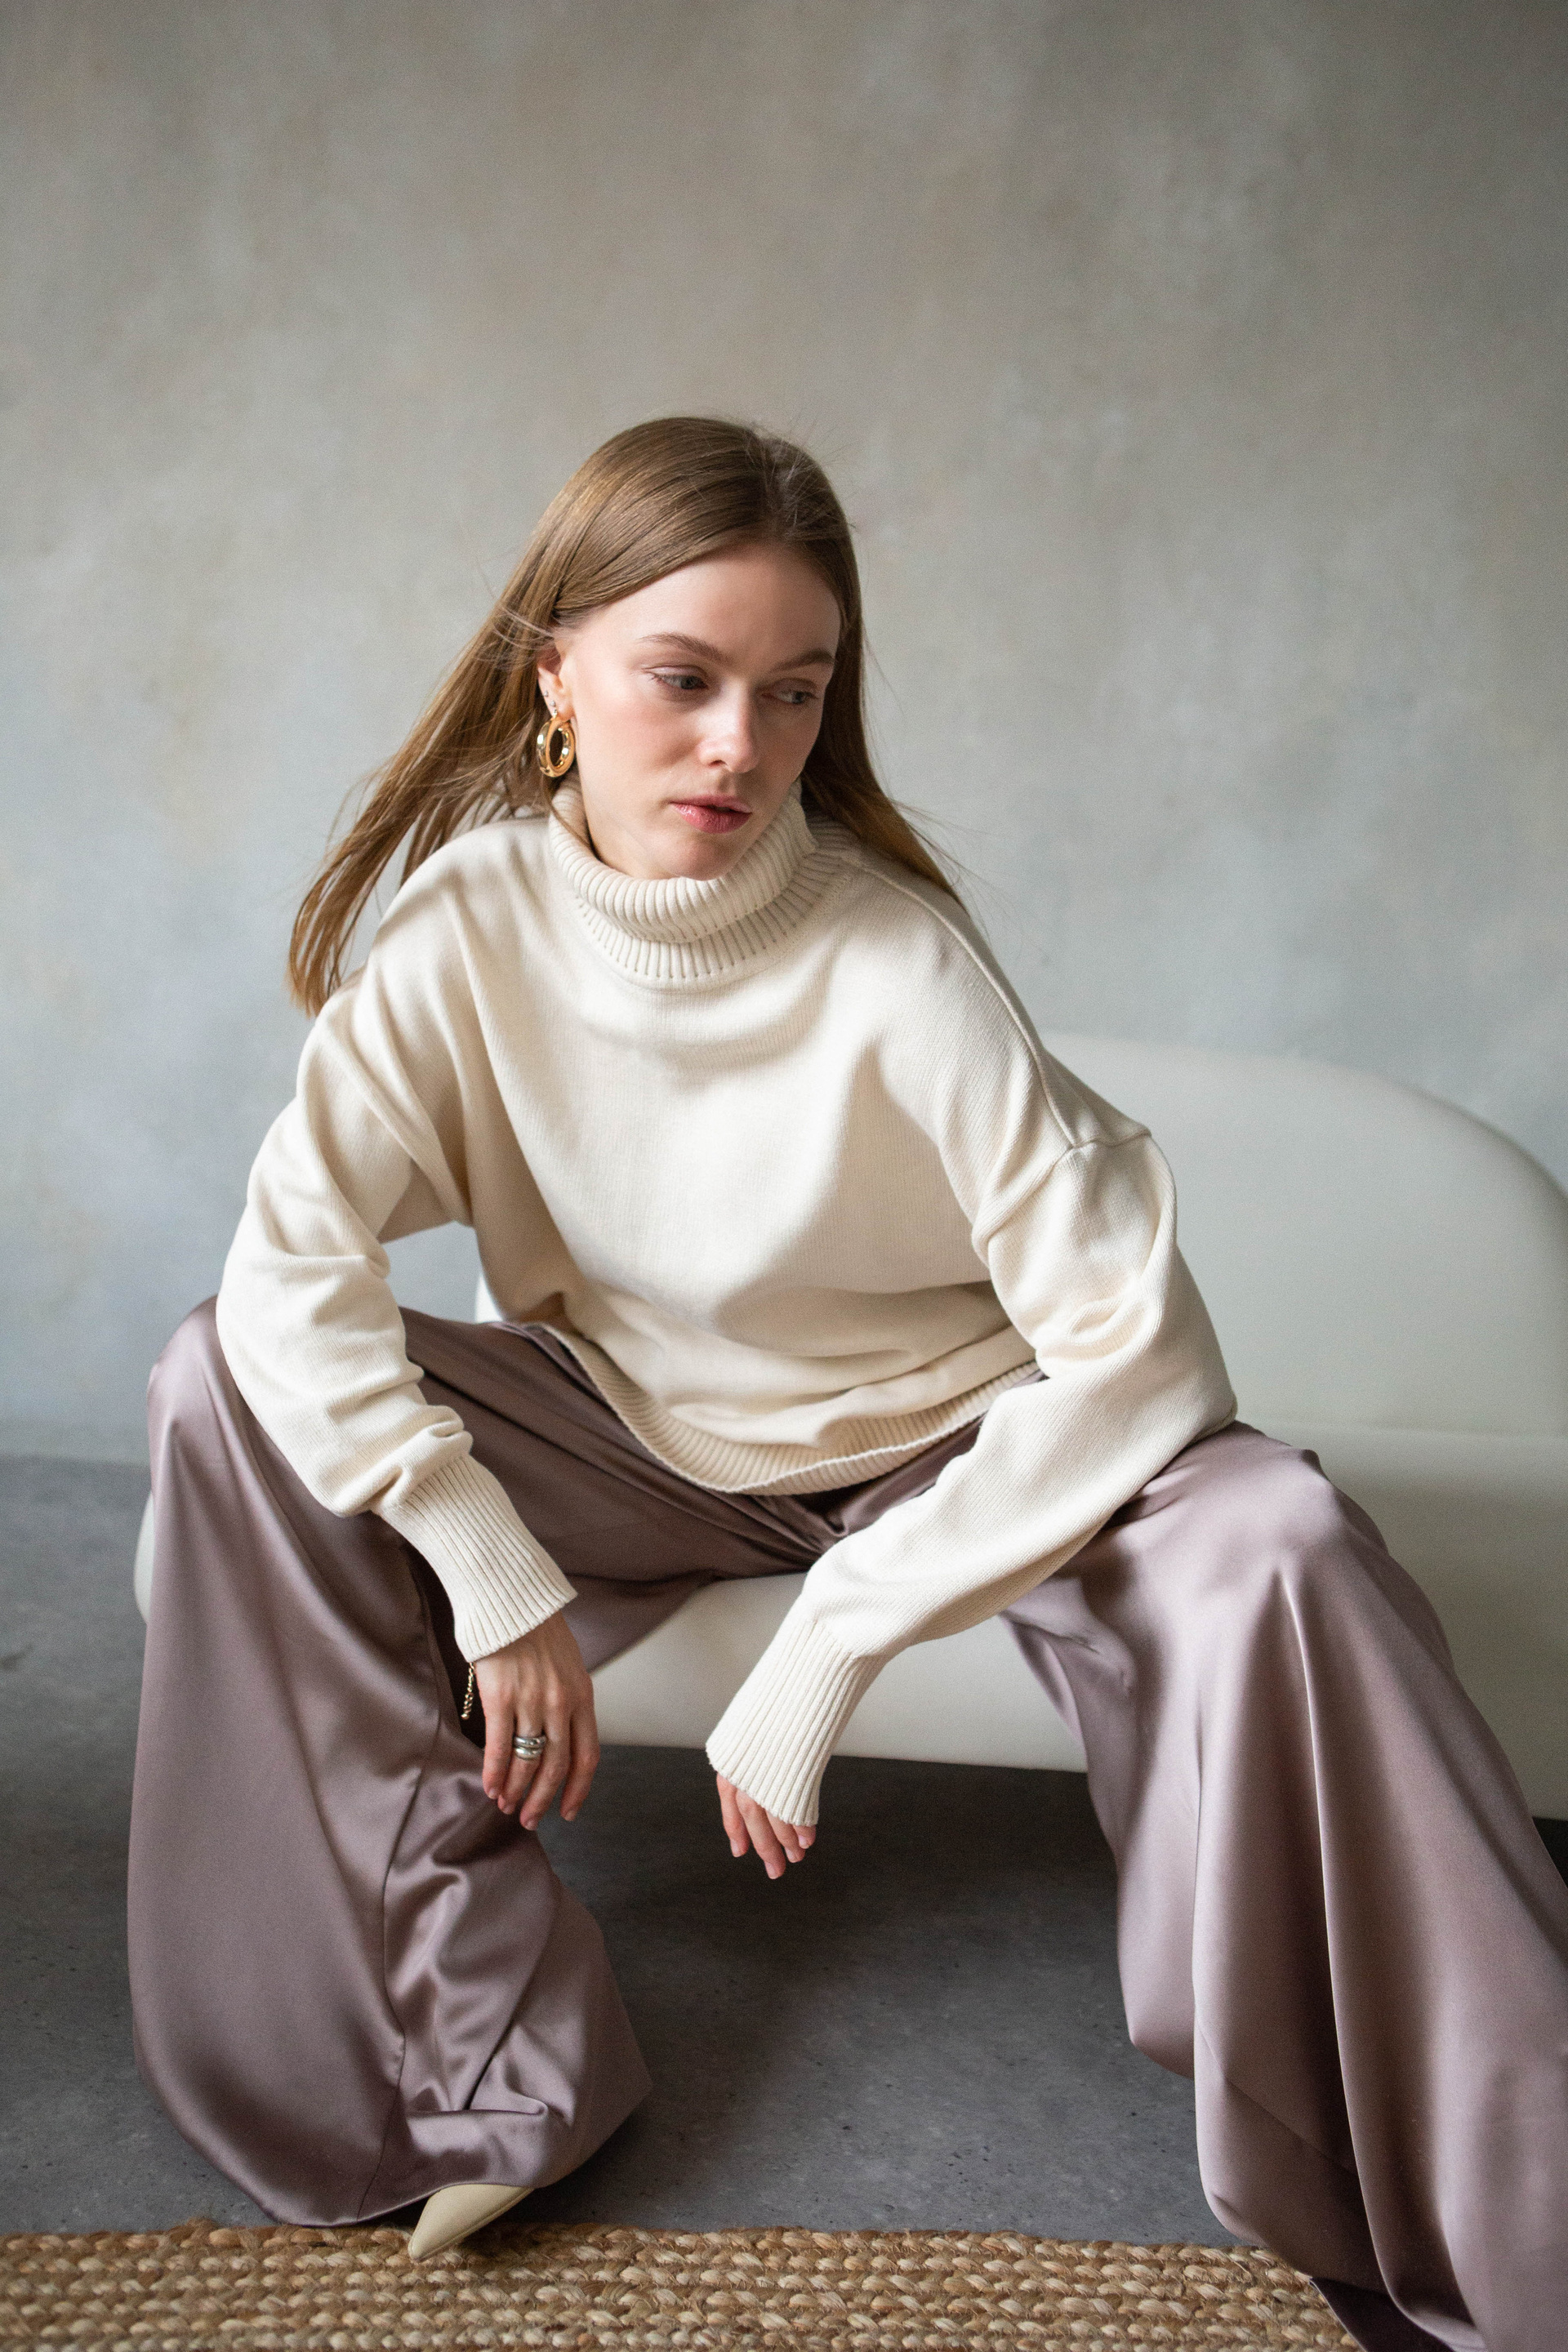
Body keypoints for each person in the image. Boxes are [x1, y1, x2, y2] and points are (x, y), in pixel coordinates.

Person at [128, 417, 1566, 2350]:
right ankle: (448, 2073)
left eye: (793, 693)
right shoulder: (469, 931)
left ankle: (1501, 2217)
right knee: (218, 1381)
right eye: (684, 680)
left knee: (1281, 1539)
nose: (739, 744)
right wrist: (483, 1553)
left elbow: (1142, 1346)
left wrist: (837, 1633)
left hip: (957, 1441)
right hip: (634, 1439)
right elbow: (288, 1264)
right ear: (554, 675)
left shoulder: (897, 959)